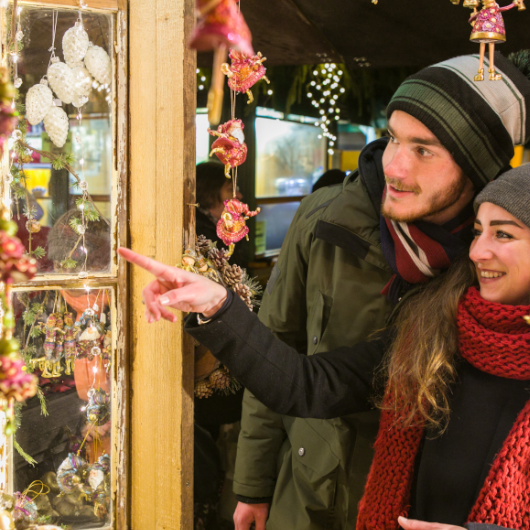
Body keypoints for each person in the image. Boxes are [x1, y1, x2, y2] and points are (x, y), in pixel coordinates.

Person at [119, 161, 530, 530]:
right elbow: (304, 383)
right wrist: (218, 305)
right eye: (478, 231)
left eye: (503, 234)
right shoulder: (434, 335)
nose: (478, 251)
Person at [224, 51, 529, 530]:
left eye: (424, 149)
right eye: (393, 139)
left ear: (473, 168)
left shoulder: (493, 263)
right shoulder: (327, 218)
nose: (395, 165)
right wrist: (253, 485)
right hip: (307, 486)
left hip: (414, 502)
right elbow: (284, 353)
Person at [196, 161, 248, 270]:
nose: (239, 195)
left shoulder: (229, 226)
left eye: (236, 189)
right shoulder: (195, 232)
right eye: (230, 190)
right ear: (209, 193)